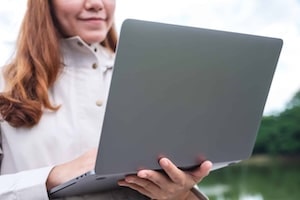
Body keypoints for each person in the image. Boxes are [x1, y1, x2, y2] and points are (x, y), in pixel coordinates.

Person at [0, 0, 212, 199]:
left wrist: (180, 193)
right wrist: (52, 177)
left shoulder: (151, 80)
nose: (96, 4)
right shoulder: (4, 85)